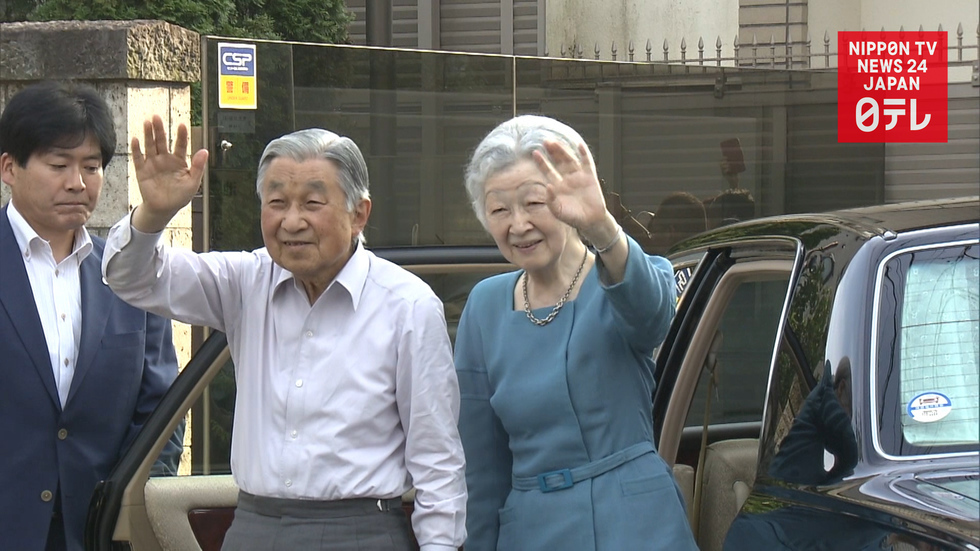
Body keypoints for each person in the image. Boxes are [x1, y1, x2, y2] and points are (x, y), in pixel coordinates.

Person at [101, 117, 467, 550]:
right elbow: (132, 278)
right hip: (255, 527)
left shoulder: (406, 305)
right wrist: (155, 214)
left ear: (359, 214)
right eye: (277, 202)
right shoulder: (245, 282)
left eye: (313, 203)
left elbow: (437, 460)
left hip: (362, 531)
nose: (291, 221)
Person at [455, 114, 697, 550]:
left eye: (534, 203)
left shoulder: (622, 277)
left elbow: (654, 316)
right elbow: (481, 464)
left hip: (638, 525)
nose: (518, 225)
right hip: (532, 530)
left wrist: (602, 225)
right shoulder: (484, 306)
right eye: (499, 210)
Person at [0, 80, 182, 551]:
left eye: (92, 166)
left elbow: (161, 412)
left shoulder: (130, 275)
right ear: (9, 168)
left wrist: (128, 507)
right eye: (58, 165)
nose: (77, 183)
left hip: (100, 533)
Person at [645, 191, 708, 256]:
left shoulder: (667, 265)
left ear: (670, 233)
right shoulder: (711, 258)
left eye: (653, 231)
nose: (651, 238)